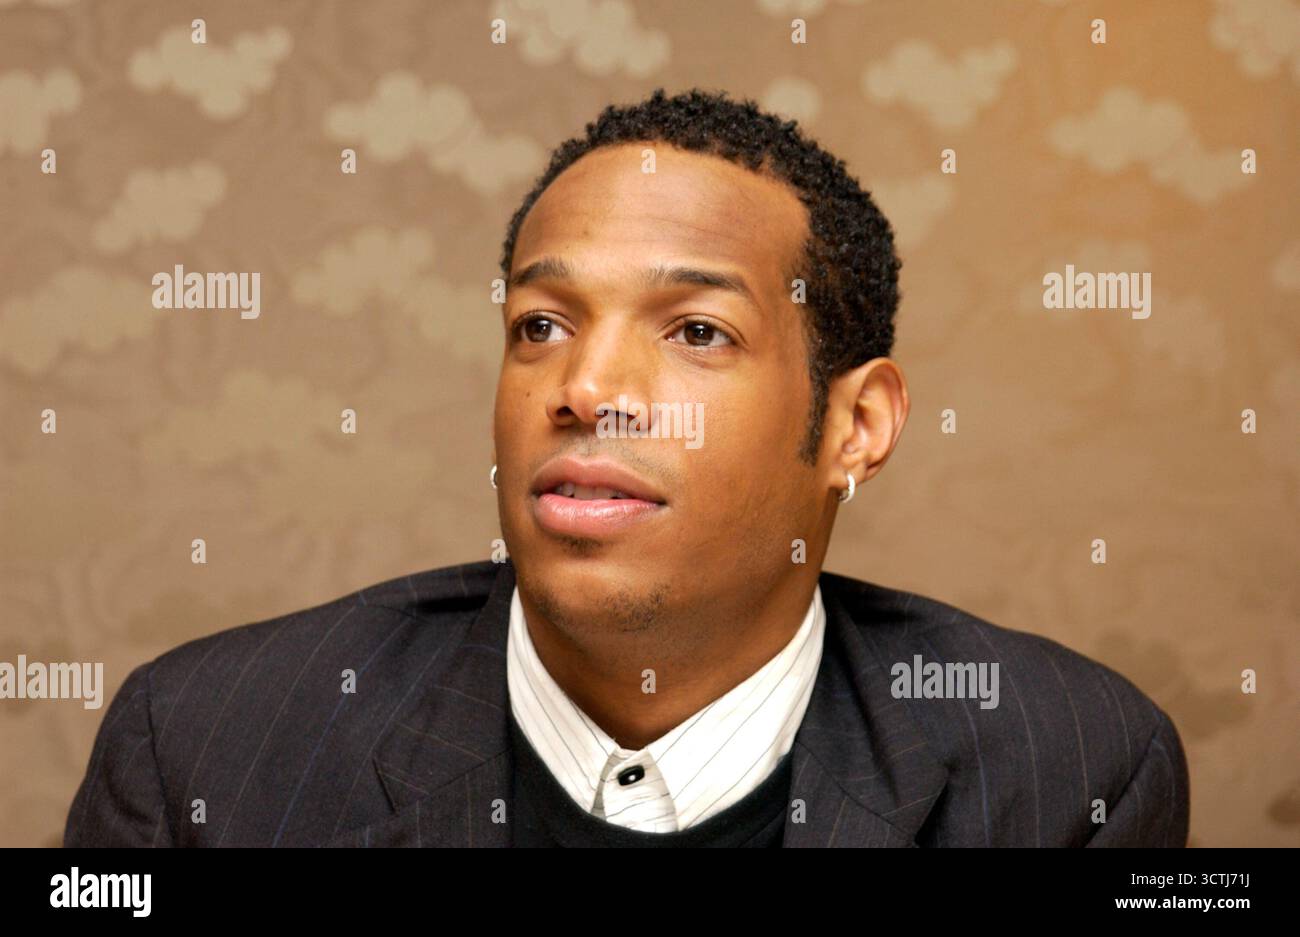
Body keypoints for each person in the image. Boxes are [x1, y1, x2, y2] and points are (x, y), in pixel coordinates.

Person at [64, 87, 1189, 847]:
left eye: (696, 331)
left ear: (856, 426)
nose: (583, 387)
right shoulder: (205, 747)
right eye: (541, 325)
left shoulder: (1073, 770)